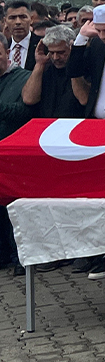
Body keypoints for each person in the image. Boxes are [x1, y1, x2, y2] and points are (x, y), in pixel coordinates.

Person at [0, 35, 33, 275]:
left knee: (12, 209)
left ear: (7, 53)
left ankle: (20, 256)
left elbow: (22, 112)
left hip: (12, 155)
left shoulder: (23, 77)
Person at [22, 25, 87, 119]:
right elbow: (29, 99)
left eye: (61, 52)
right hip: (47, 125)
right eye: (52, 53)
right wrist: (39, 64)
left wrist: (74, 60)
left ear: (71, 47)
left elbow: (83, 99)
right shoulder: (46, 68)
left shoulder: (84, 65)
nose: (56, 57)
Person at [4, 1, 36, 72]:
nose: (18, 22)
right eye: (12, 18)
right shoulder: (3, 48)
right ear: (5, 21)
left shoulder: (42, 46)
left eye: (23, 17)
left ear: (31, 19)